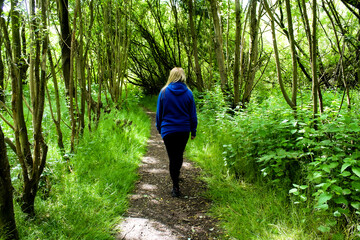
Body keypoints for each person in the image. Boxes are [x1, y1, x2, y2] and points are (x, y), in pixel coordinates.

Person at [156, 67, 198, 198]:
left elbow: (159, 113)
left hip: (168, 130)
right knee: (178, 155)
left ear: (171, 76)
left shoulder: (163, 92)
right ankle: (176, 179)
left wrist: (159, 128)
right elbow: (193, 115)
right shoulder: (189, 93)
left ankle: (175, 185)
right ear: (183, 76)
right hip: (183, 130)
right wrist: (193, 130)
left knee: (172, 157)